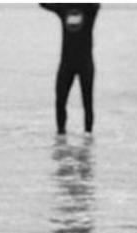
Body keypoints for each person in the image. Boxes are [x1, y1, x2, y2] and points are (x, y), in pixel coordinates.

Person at [40, 4, 100, 135]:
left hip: (85, 63)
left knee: (87, 101)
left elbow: (97, 4)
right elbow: (42, 4)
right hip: (67, 63)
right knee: (60, 100)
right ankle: (61, 135)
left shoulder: (89, 8)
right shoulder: (64, 7)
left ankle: (88, 136)